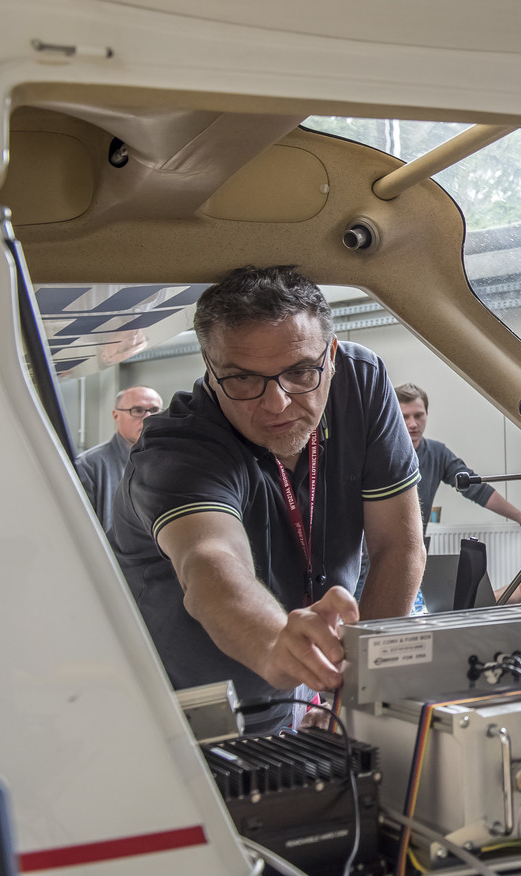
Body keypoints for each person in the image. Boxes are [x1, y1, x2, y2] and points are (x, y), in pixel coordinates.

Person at [109, 266, 424, 734]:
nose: (277, 403)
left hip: (304, 690)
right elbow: (210, 563)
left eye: (300, 372)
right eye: (242, 379)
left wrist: (360, 690)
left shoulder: (360, 383)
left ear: (331, 355)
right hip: (191, 714)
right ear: (210, 366)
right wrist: (277, 642)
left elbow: (399, 545)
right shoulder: (176, 449)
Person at [394, 382, 521, 536]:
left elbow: (476, 488)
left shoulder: (437, 453)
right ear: (393, 417)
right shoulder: (382, 455)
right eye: (404, 416)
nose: (413, 424)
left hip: (415, 547)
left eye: (418, 415)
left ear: (426, 413)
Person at [75, 385, 163, 534]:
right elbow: (81, 531)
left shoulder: (171, 462)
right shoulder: (88, 466)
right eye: (138, 411)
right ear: (116, 416)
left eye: (154, 410)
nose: (148, 418)